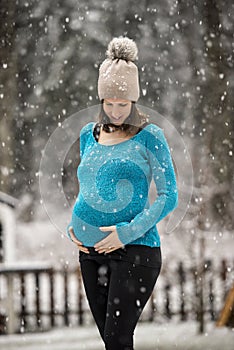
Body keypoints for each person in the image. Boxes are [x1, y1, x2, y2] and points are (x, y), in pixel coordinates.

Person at [66, 36, 178, 350]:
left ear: (134, 101)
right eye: (110, 103)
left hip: (137, 251)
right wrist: (73, 225)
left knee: (117, 338)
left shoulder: (150, 136)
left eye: (123, 104)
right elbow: (87, 188)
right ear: (101, 100)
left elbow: (170, 196)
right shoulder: (88, 134)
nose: (116, 111)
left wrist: (125, 233)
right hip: (90, 253)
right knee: (112, 342)